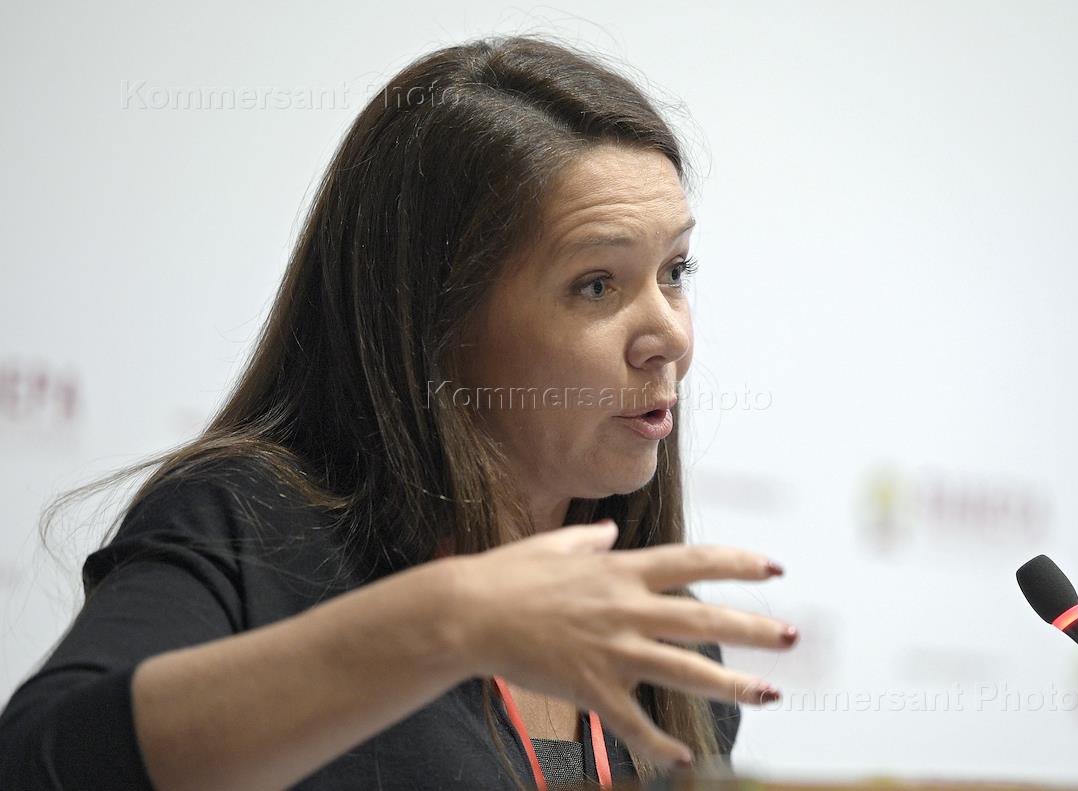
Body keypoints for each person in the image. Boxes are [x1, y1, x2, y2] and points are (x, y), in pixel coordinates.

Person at [0, 34, 799, 791]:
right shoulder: (253, 524)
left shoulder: (663, 638)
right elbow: (41, 761)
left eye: (675, 270)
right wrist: (447, 622)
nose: (671, 336)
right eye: (597, 284)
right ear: (433, 321)